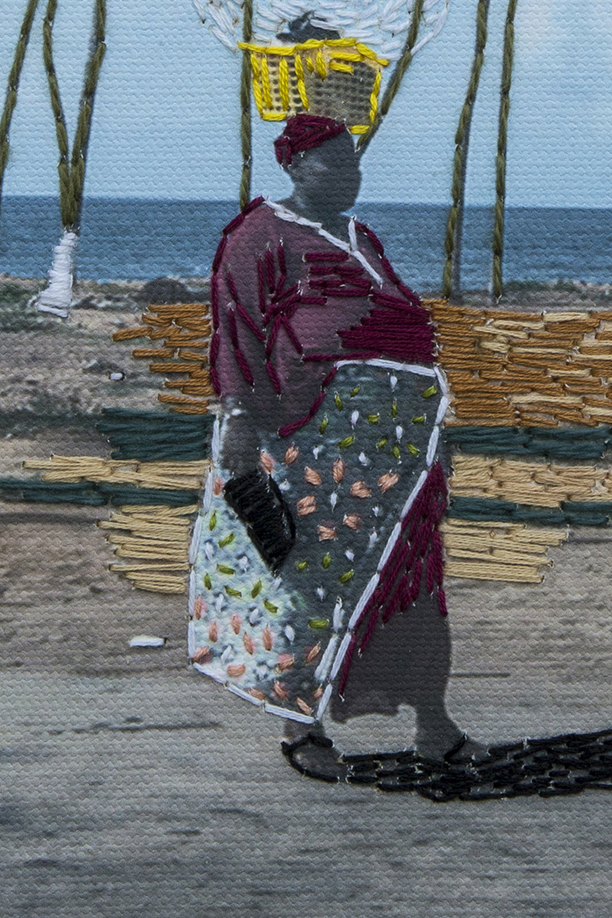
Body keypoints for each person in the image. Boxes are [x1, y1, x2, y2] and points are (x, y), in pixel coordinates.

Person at [190, 111, 484, 777]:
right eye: (334, 164)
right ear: (293, 166)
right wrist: (238, 416)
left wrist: (434, 431)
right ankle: (301, 730)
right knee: (312, 584)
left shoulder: (361, 237)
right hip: (310, 446)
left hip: (393, 455)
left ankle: (433, 724)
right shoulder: (257, 235)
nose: (349, 175)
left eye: (354, 163)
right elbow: (235, 330)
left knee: (410, 581)